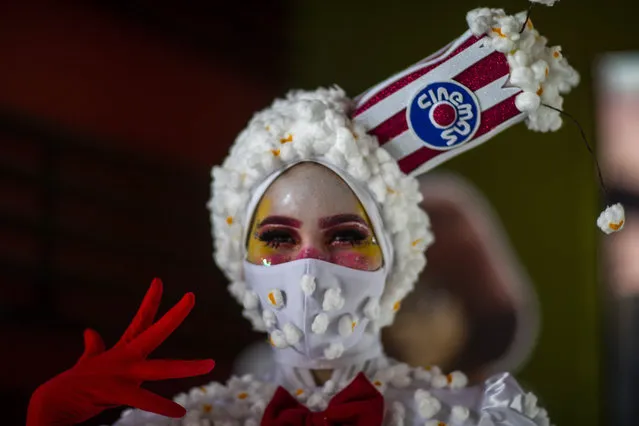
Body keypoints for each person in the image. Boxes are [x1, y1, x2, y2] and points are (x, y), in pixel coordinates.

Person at [26, 2, 619, 425]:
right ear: (240, 260)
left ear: (396, 259)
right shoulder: (197, 421)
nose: (309, 266)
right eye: (279, 237)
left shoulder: (477, 419)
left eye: (346, 235)